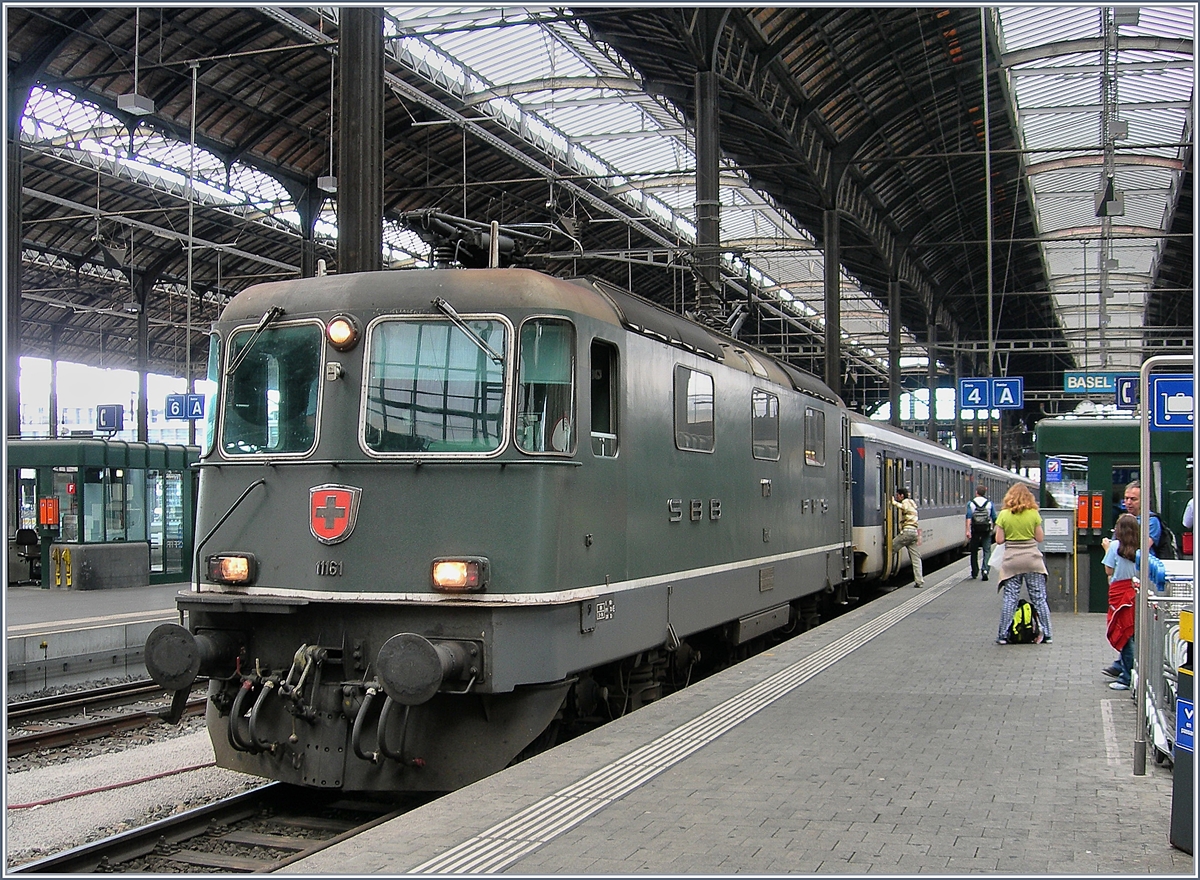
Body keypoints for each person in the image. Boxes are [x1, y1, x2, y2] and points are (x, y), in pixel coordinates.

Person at [994, 482, 1052, 645]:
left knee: (1010, 598)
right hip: (1032, 560)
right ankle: (1047, 634)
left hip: (1012, 561)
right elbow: (1040, 538)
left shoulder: (1004, 515)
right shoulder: (1033, 514)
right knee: (1039, 598)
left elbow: (998, 540)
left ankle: (1003, 635)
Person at [1102, 514, 1138, 690]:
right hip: (1134, 592)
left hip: (1118, 593)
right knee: (1132, 632)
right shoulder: (1141, 549)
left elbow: (1109, 570)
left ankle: (1126, 677)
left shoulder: (1115, 546)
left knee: (1122, 633)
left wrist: (1107, 549)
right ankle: (1133, 672)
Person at [891, 487, 924, 588]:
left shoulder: (906, 502)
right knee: (916, 558)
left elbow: (904, 507)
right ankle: (919, 581)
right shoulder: (913, 503)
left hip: (907, 532)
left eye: (898, 495)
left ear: (901, 495)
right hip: (914, 533)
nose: (897, 497)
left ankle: (885, 569)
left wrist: (893, 502)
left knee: (890, 549)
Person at [965, 485, 996, 581]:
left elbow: (968, 517)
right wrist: (992, 528)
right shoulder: (989, 504)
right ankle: (985, 570)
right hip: (986, 530)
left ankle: (974, 572)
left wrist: (967, 530)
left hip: (975, 530)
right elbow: (994, 518)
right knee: (987, 551)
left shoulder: (971, 503)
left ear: (976, 492)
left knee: (974, 551)